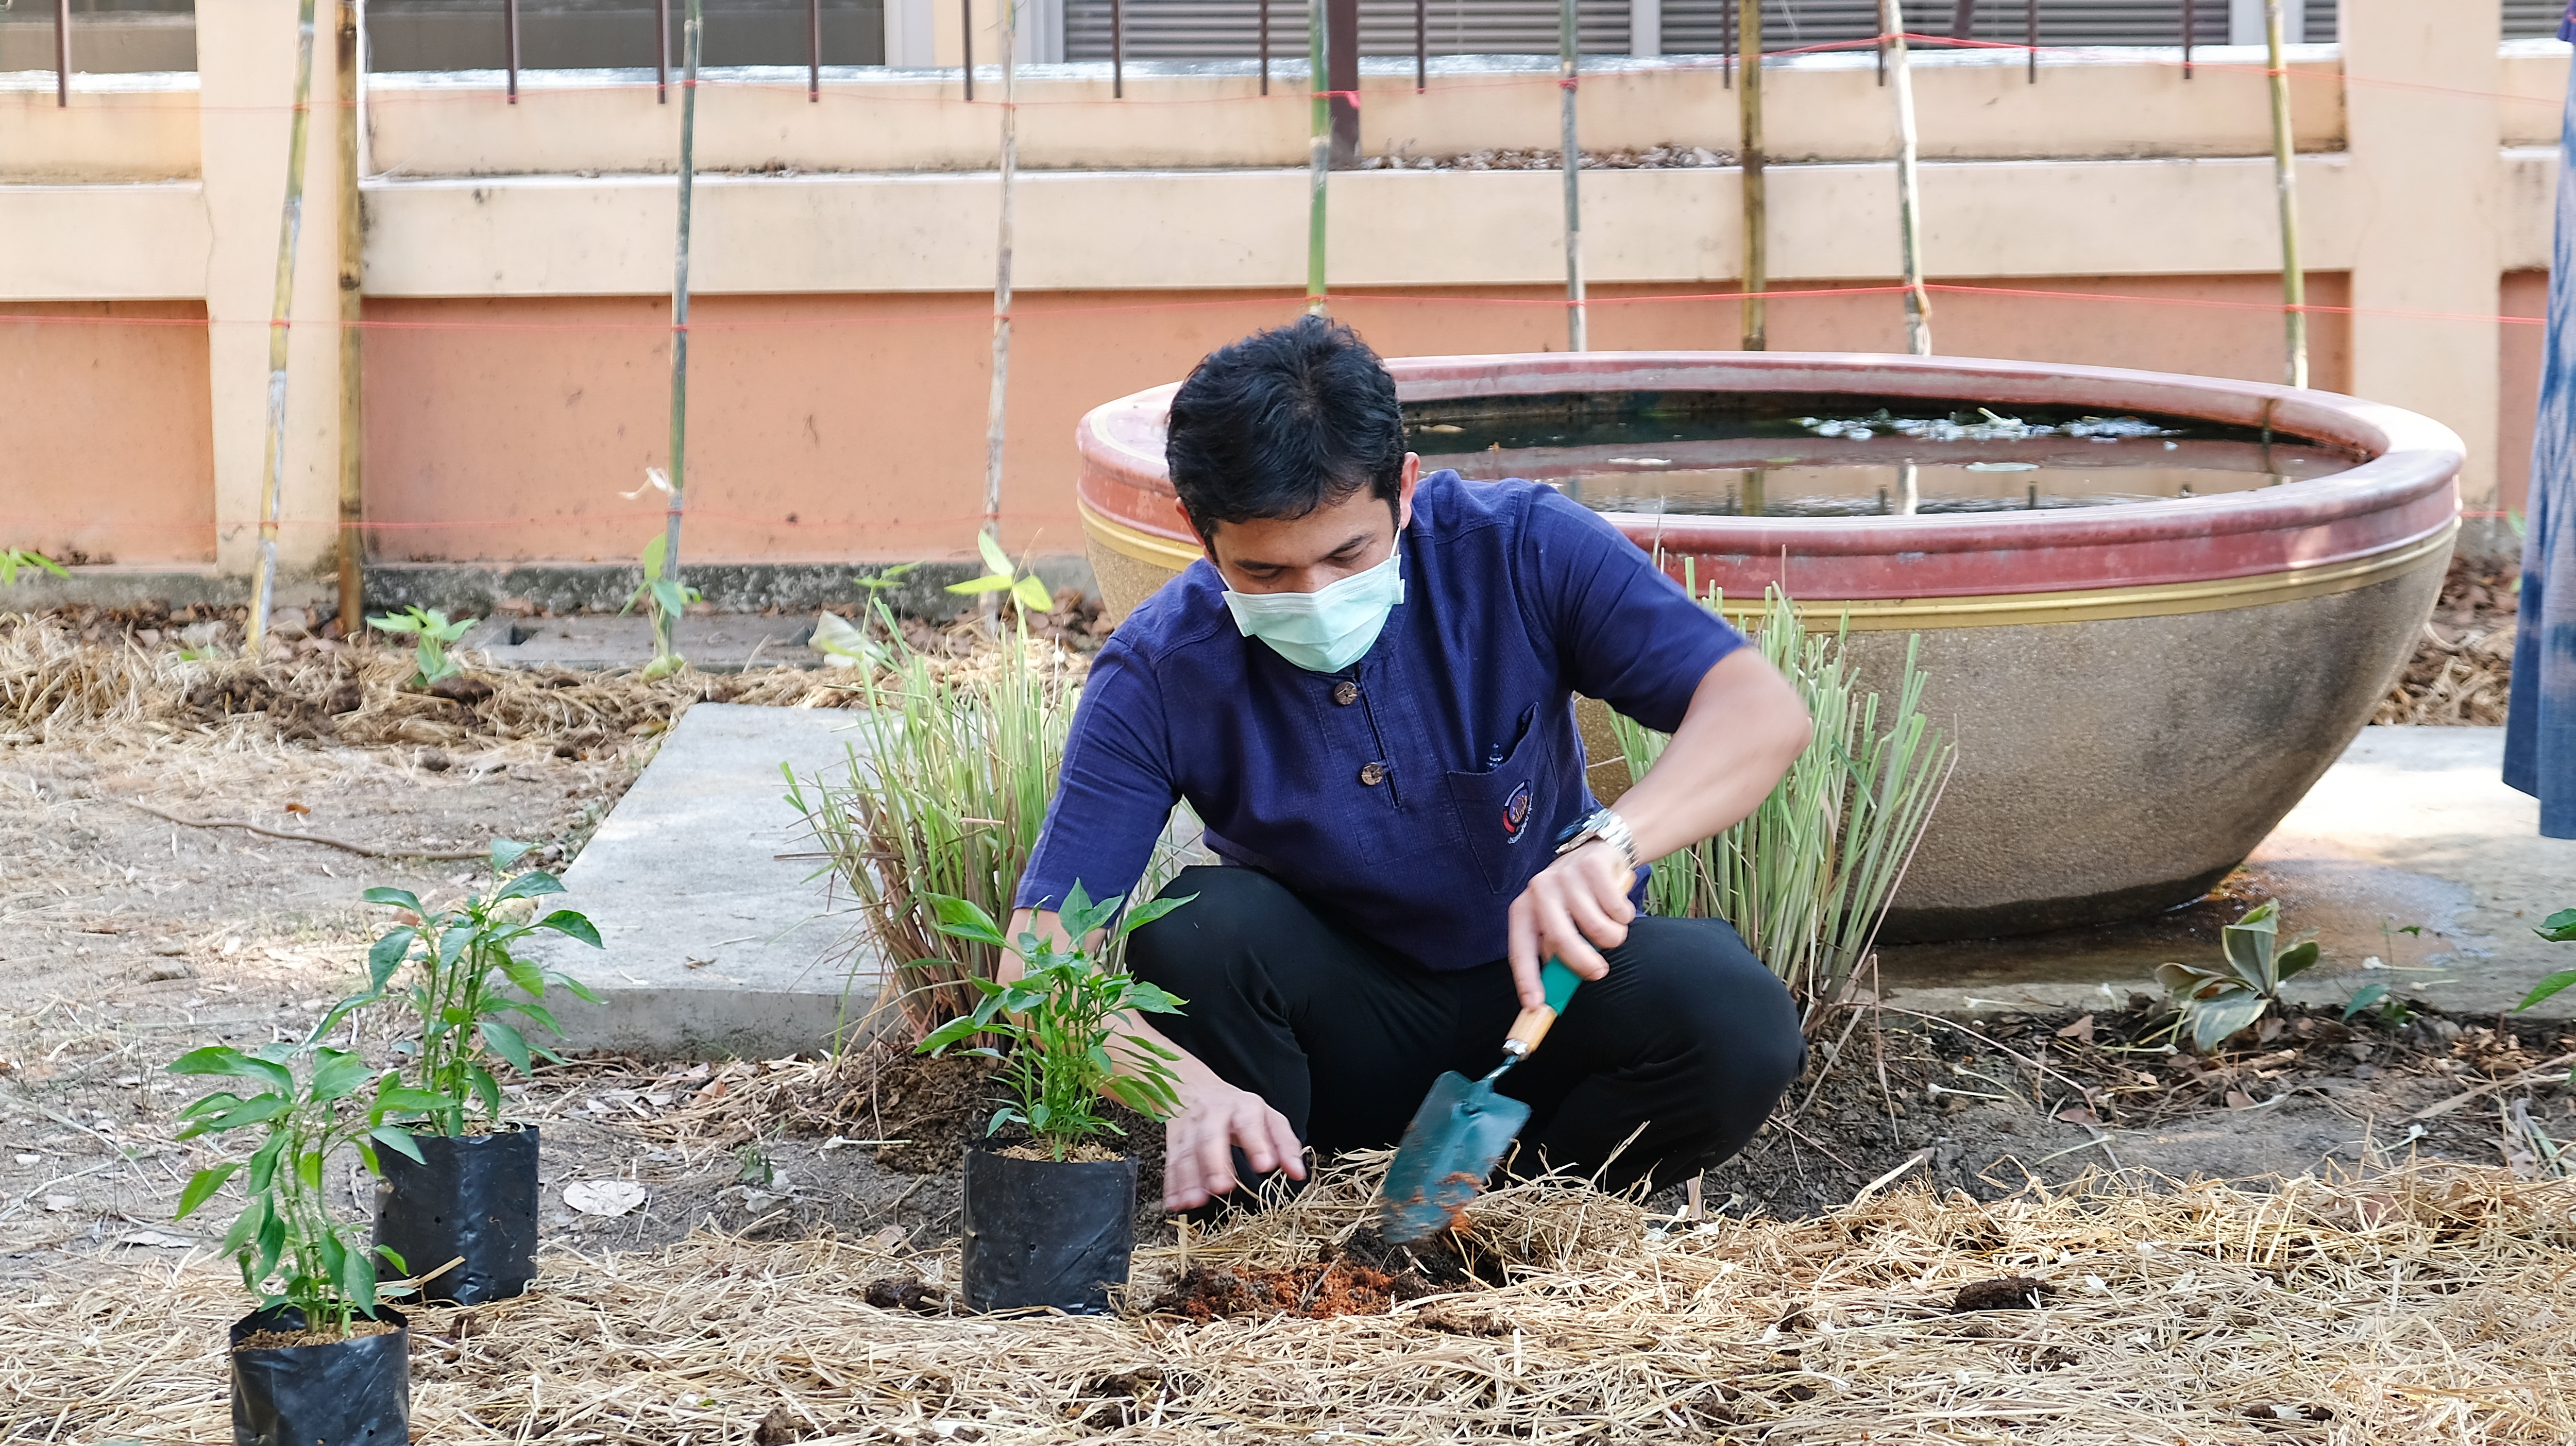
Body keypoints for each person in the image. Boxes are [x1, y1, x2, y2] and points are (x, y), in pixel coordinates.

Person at [1009, 317, 1814, 1213]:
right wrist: (1182, 1088)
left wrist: (1611, 843)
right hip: (1331, 1051)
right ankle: (1280, 1217)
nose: (1314, 599)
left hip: (1542, 1010)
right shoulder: (1161, 669)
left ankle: (1512, 1213)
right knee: (1195, 926)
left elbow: (1759, 712)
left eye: (1348, 554)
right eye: (1265, 574)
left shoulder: (1521, 549)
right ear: (1202, 537)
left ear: (1404, 486)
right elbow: (1038, 974)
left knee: (1734, 1018)